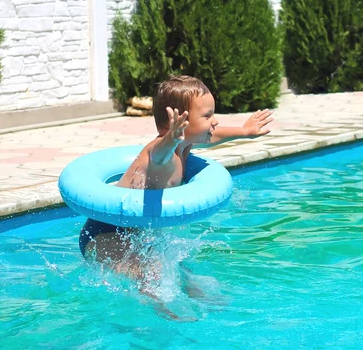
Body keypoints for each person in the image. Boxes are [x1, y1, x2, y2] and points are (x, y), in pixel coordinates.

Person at [79, 75, 274, 280]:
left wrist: (244, 131)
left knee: (184, 276)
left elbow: (213, 136)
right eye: (207, 116)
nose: (215, 121)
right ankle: (171, 314)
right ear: (180, 123)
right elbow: (158, 155)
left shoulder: (185, 144)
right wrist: (170, 139)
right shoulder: (162, 152)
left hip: (132, 233)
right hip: (105, 233)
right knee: (151, 277)